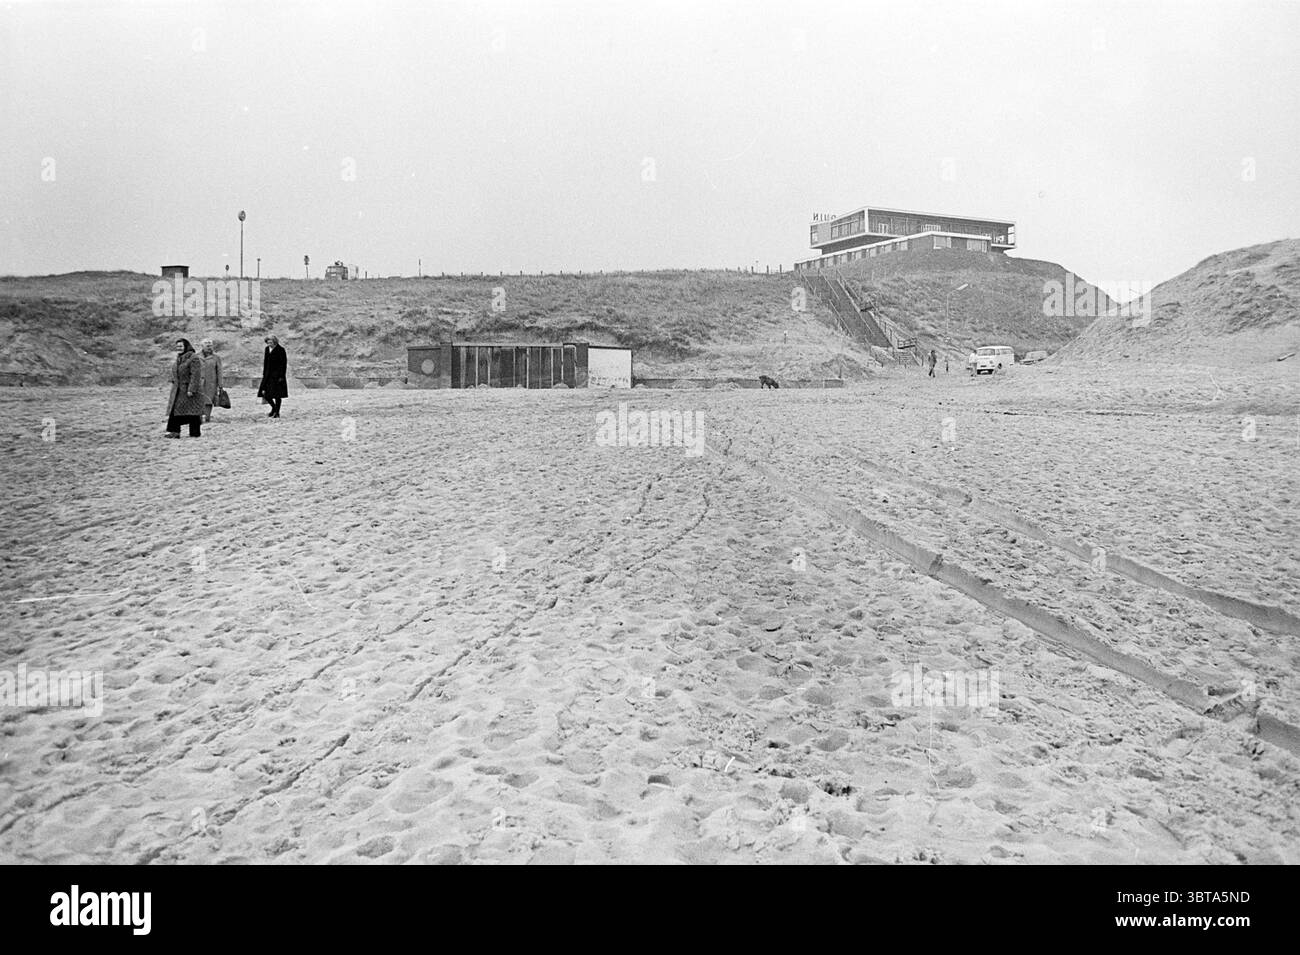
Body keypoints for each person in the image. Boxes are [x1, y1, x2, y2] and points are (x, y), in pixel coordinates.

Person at [165, 339, 205, 438]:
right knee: (188, 411)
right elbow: (177, 371)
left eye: (181, 346)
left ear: (186, 346)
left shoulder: (193, 358)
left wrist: (192, 389)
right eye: (177, 346)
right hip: (179, 389)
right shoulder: (179, 358)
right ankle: (191, 433)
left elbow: (195, 375)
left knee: (189, 411)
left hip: (189, 390)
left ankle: (176, 431)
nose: (179, 348)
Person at [258, 335, 288, 418]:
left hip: (277, 376)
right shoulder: (267, 349)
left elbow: (283, 364)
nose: (269, 344)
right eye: (268, 343)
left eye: (271, 342)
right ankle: (274, 408)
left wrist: (281, 376)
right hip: (267, 375)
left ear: (275, 342)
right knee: (266, 394)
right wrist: (264, 373)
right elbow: (265, 362)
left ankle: (277, 412)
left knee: (277, 395)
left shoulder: (281, 350)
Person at [197, 338, 223, 424]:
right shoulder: (196, 356)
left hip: (211, 383)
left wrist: (220, 384)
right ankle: (199, 418)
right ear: (202, 346)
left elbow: (219, 371)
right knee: (199, 400)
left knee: (209, 401)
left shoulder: (216, 357)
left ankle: (207, 418)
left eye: (210, 344)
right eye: (206, 344)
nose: (208, 346)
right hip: (199, 383)